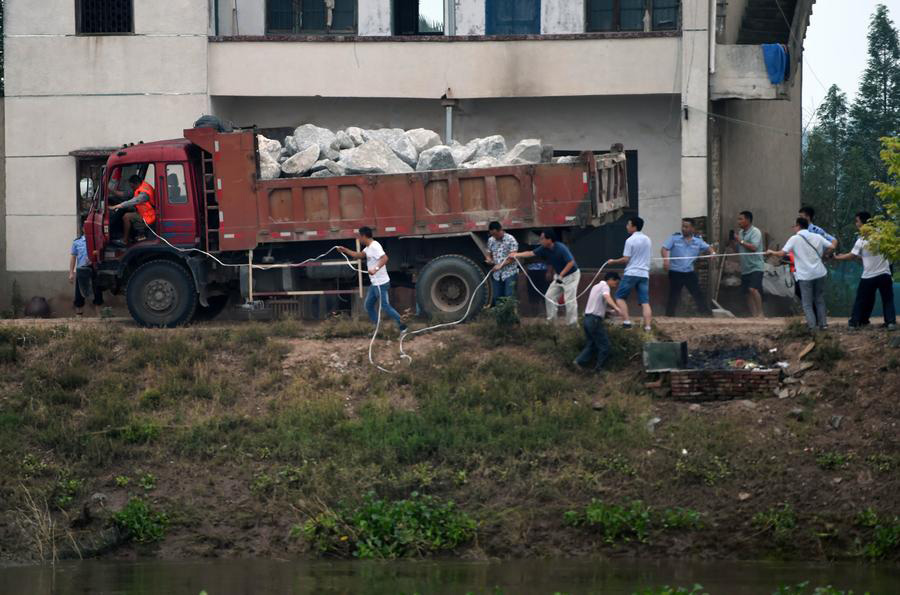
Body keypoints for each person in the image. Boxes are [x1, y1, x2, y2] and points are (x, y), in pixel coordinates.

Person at [337, 227, 408, 333]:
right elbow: (359, 255)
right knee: (368, 305)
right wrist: (345, 250)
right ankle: (378, 328)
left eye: (359, 237)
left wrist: (375, 269)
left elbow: (385, 258)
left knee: (385, 306)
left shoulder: (375, 246)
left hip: (381, 283)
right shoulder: (368, 248)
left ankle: (403, 326)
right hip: (375, 283)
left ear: (364, 236)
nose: (358, 239)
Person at [766, 217, 832, 331]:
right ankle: (823, 325)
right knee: (819, 299)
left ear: (798, 226)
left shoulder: (794, 239)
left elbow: (782, 253)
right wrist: (824, 255)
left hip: (805, 276)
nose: (793, 228)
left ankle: (812, 327)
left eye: (794, 226)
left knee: (807, 303)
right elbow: (832, 246)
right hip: (820, 273)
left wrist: (771, 252)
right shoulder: (817, 236)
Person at [834, 211, 896, 330]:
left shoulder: (862, 240)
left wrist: (837, 257)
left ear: (863, 223)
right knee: (887, 299)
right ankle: (890, 323)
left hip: (869, 276)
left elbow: (852, 256)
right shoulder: (882, 236)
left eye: (857, 221)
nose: (856, 224)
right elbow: (870, 255)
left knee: (861, 300)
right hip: (884, 274)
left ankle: (854, 323)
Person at [508, 230, 581, 325]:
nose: (540, 241)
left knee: (569, 300)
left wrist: (561, 275)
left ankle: (572, 324)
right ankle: (551, 322)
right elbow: (531, 253)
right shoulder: (544, 248)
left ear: (549, 240)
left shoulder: (561, 248)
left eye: (542, 239)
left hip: (571, 276)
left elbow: (571, 263)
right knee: (549, 296)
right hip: (559, 276)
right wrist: (516, 255)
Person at [607, 216, 653, 331]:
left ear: (634, 226)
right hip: (644, 274)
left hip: (632, 272)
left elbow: (626, 259)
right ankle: (648, 327)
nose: (627, 226)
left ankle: (626, 322)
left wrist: (613, 261)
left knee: (619, 297)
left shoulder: (630, 240)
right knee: (645, 302)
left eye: (628, 224)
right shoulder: (647, 239)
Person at [661, 218, 714, 316]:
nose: (683, 229)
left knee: (697, 293)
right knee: (674, 295)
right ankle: (669, 315)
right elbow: (664, 248)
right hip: (675, 272)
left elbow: (709, 248)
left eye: (686, 227)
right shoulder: (674, 238)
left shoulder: (698, 241)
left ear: (693, 228)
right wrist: (666, 260)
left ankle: (705, 314)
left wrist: (712, 253)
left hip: (689, 272)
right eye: (683, 226)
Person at [574, 272, 625, 372]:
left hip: (587, 320)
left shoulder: (595, 287)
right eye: (615, 282)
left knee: (592, 344)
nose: (616, 285)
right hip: (594, 321)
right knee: (605, 346)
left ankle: (578, 361)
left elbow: (596, 306)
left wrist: (609, 312)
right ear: (610, 279)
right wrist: (617, 308)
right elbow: (607, 297)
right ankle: (599, 369)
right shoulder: (605, 286)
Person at [110, 175, 156, 246]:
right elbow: (128, 195)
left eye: (132, 186)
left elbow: (133, 201)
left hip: (148, 217)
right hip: (145, 212)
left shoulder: (144, 194)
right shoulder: (143, 186)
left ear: (136, 183)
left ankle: (125, 241)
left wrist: (115, 207)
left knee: (126, 217)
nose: (132, 188)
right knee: (126, 210)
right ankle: (131, 237)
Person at [734, 211, 765, 318]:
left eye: (740, 219)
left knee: (753, 289)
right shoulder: (741, 233)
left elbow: (754, 247)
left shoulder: (755, 232)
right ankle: (754, 315)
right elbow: (739, 249)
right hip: (745, 268)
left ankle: (761, 313)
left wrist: (741, 241)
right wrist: (735, 242)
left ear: (747, 220)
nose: (738, 221)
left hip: (756, 266)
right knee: (747, 293)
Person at [484, 221, 519, 307]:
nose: (494, 237)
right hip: (497, 274)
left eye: (495, 234)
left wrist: (500, 265)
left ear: (501, 230)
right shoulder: (491, 240)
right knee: (496, 297)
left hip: (509, 272)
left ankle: (511, 314)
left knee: (509, 296)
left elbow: (513, 257)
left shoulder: (510, 239)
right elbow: (488, 253)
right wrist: (489, 259)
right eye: (492, 235)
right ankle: (500, 314)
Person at [69, 233, 103, 316]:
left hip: (94, 269)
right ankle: (79, 316)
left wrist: (97, 253)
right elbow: (73, 257)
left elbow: (102, 254)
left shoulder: (96, 241)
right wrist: (71, 273)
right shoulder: (77, 242)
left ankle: (100, 316)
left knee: (97, 292)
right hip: (82, 269)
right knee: (79, 293)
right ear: (83, 229)